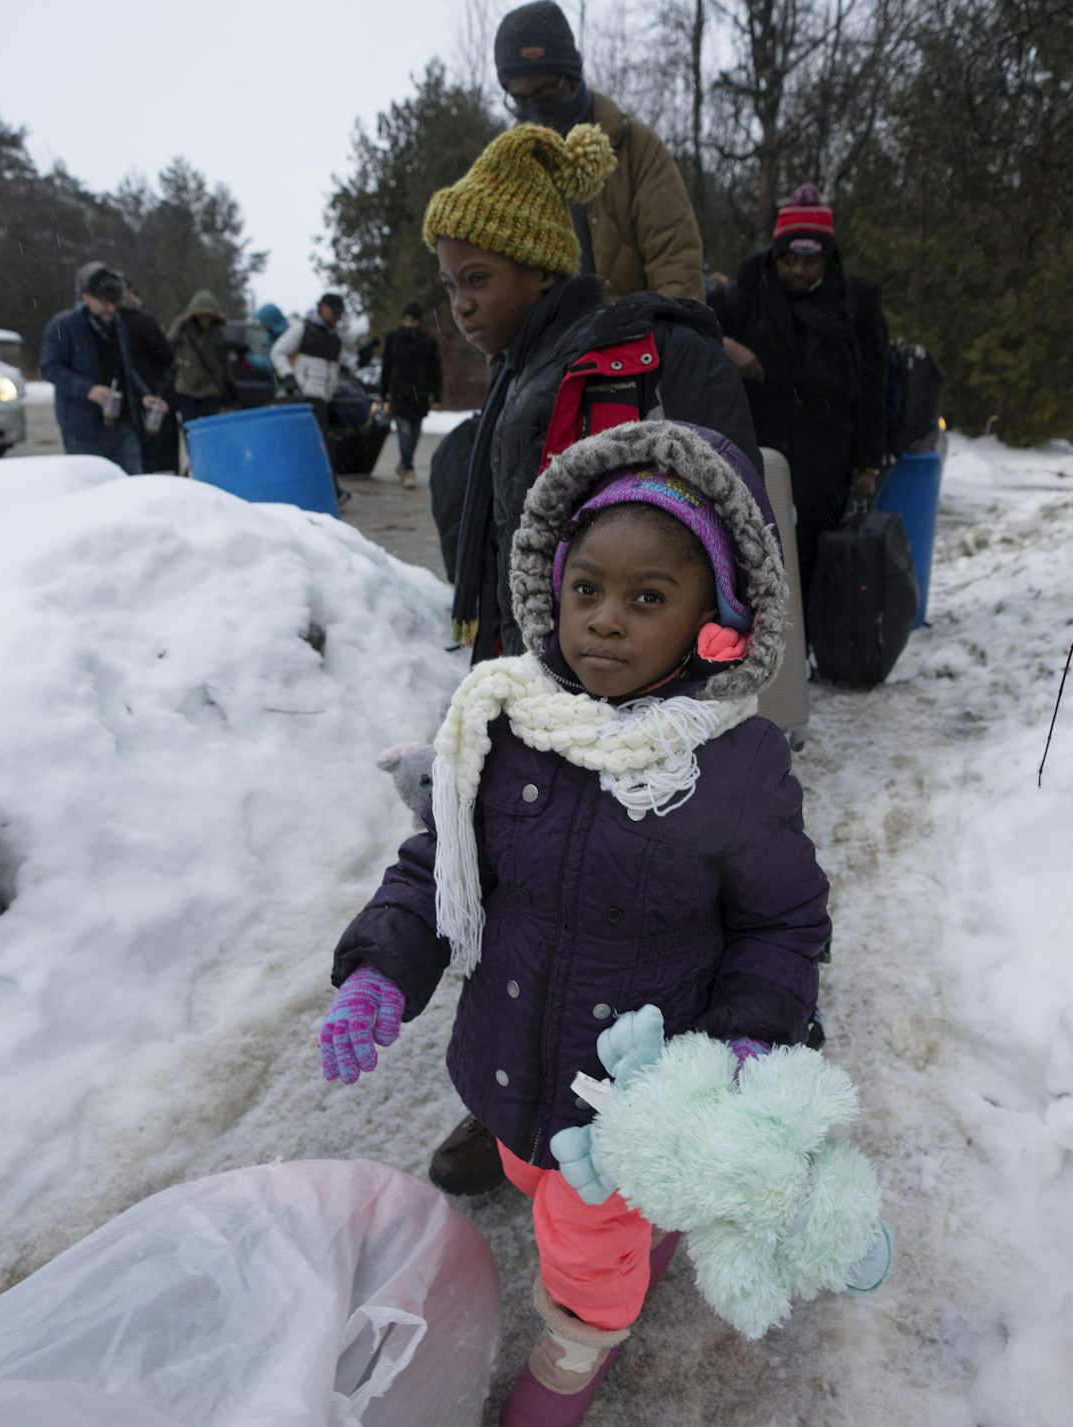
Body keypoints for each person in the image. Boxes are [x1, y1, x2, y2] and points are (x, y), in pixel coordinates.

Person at [321, 419, 830, 1424]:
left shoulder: (734, 764)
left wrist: (745, 1039)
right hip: (510, 1051)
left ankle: (575, 1349)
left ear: (715, 617)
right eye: (586, 588)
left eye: (649, 598)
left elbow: (782, 919)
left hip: (632, 1090)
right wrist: (382, 964)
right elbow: (442, 862)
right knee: (530, 1165)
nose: (604, 620)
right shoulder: (507, 721)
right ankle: (651, 1211)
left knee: (589, 1238)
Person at [418, 120, 761, 1198]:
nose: (461, 305)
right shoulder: (523, 371)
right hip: (534, 678)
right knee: (524, 901)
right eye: (452, 286)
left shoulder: (633, 359)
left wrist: (714, 674)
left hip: (628, 688)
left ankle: (652, 1112)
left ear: (535, 263)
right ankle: (513, 1110)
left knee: (626, 910)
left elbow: (729, 523)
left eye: (476, 279)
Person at [710, 185, 889, 609]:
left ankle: (807, 651)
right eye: (788, 259)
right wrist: (727, 346)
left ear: (826, 258)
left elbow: (873, 386)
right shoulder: (747, 292)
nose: (797, 270)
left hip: (827, 454)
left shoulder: (855, 303)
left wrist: (868, 462)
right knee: (756, 555)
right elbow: (694, 323)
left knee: (813, 558)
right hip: (760, 449)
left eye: (809, 261)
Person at [493, 1, 702, 302]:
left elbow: (677, 264)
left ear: (573, 77)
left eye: (547, 94)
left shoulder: (636, 149)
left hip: (633, 342)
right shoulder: (506, 170)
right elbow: (498, 294)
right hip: (549, 348)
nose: (536, 113)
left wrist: (669, 343)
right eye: (521, 101)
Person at [39, 264, 165, 475]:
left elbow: (127, 368)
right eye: (104, 302)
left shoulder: (118, 325)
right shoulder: (64, 325)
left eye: (114, 303)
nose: (111, 309)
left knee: (133, 483)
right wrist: (88, 390)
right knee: (91, 488)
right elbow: (50, 368)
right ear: (86, 297)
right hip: (83, 428)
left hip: (123, 424)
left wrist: (144, 395)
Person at [379, 301, 442, 489]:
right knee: (404, 433)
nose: (409, 323)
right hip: (398, 393)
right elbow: (386, 367)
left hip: (419, 395)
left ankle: (404, 463)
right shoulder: (393, 338)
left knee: (415, 434)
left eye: (413, 320)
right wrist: (383, 394)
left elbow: (435, 371)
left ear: (419, 321)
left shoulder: (428, 342)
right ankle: (409, 469)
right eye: (406, 319)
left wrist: (437, 396)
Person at [271, 292, 352, 434]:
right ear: (322, 308)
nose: (336, 317)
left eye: (339, 314)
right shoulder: (303, 328)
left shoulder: (336, 340)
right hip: (303, 398)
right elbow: (277, 352)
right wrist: (288, 376)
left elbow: (340, 367)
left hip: (325, 401)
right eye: (333, 312)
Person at [119, 282, 177, 471]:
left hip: (122, 397)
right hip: (148, 395)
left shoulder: (101, 323)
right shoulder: (142, 321)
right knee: (149, 454)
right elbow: (167, 355)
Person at [166, 289, 236, 424]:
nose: (205, 319)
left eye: (208, 315)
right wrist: (179, 324)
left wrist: (228, 384)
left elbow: (223, 360)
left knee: (210, 428)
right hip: (186, 387)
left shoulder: (217, 333)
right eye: (202, 315)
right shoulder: (183, 329)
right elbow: (168, 346)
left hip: (210, 388)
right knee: (190, 428)